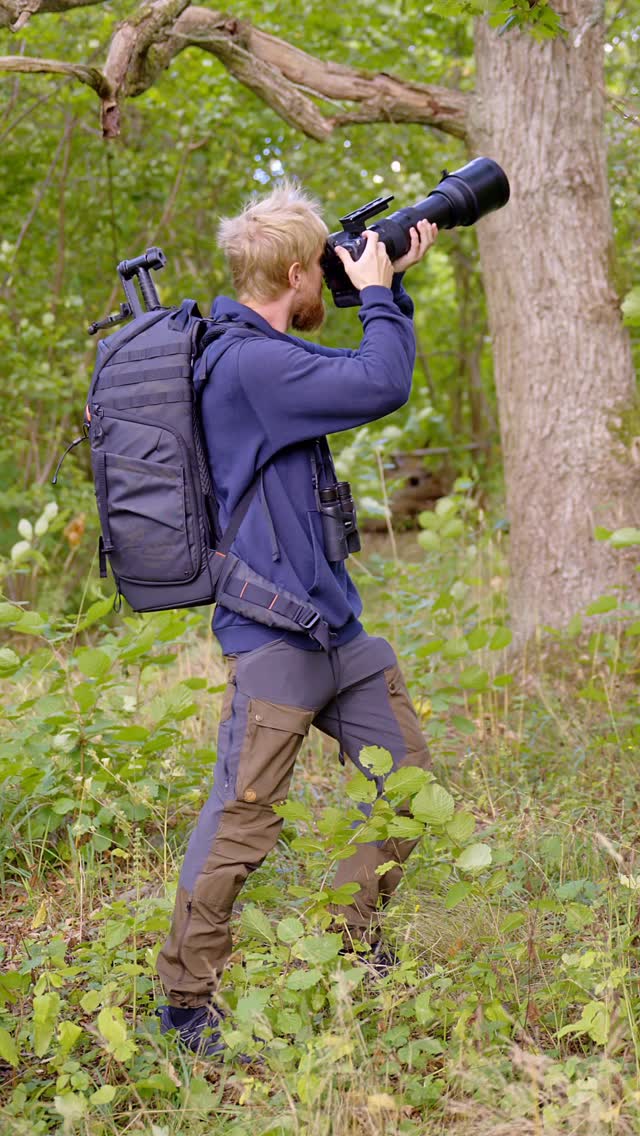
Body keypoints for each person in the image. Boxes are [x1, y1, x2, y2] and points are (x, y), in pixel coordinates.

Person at [156, 183, 438, 1056]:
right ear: (291, 270)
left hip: (333, 629)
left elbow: (359, 374)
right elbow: (382, 381)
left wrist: (390, 288)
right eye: (324, 267)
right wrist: (383, 298)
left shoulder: (267, 354)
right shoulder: (249, 365)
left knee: (412, 787)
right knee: (243, 819)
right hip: (274, 633)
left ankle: (353, 940)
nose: (336, 282)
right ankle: (185, 1000)